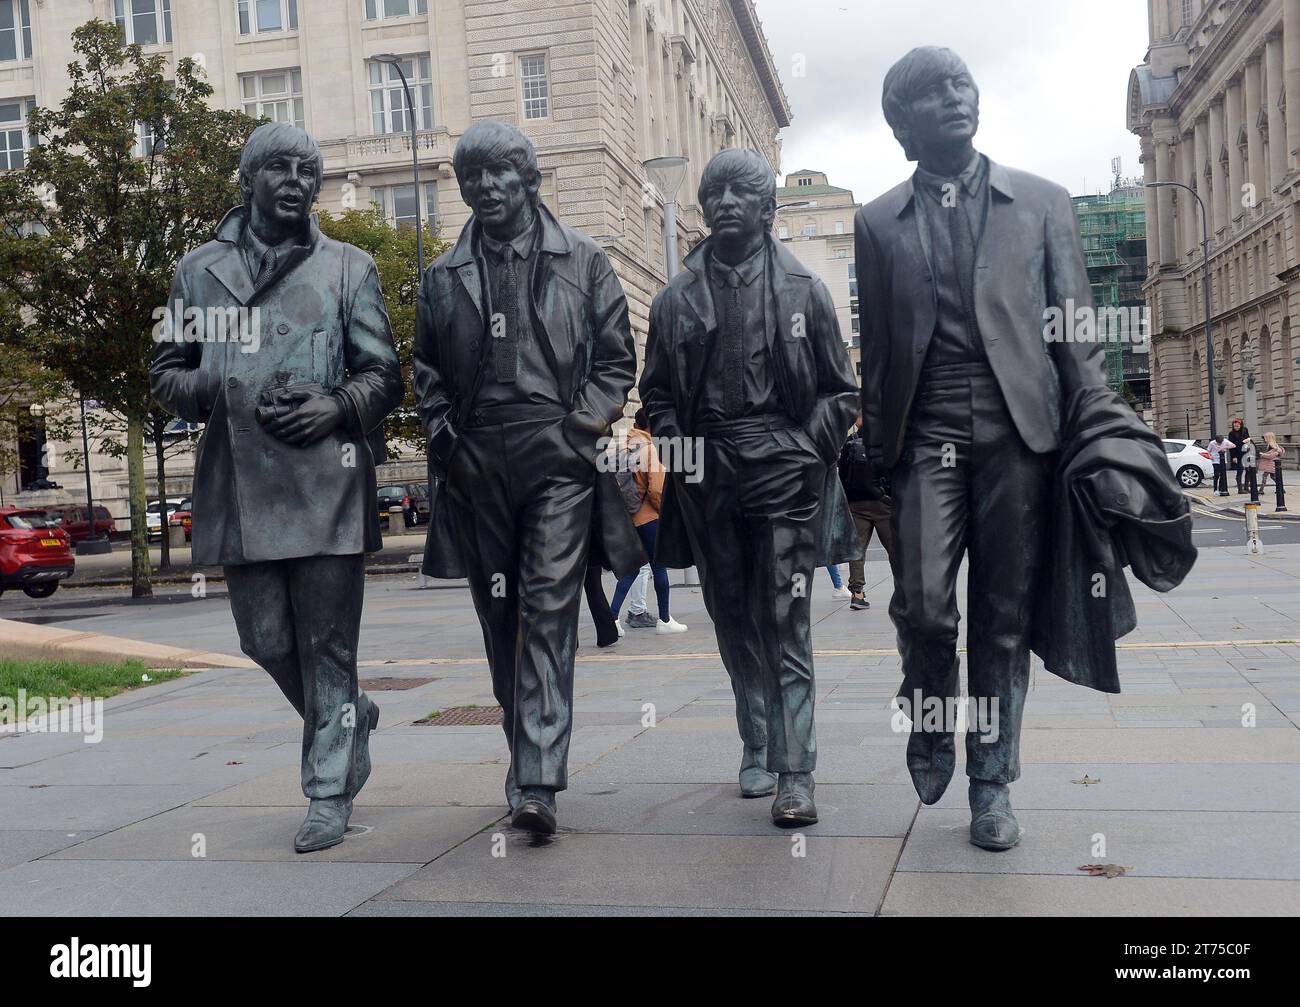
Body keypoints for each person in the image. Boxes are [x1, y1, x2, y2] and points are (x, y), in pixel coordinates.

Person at [856, 47, 1116, 850]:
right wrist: (871, 446)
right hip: (924, 432)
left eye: (963, 85)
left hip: (1017, 433)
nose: (956, 100)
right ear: (904, 121)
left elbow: (1074, 330)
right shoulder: (875, 221)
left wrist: (1098, 419)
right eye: (934, 94)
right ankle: (930, 708)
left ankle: (992, 783)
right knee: (927, 606)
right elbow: (880, 351)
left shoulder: (1040, 202)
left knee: (1002, 619)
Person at [151, 122, 403, 853]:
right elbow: (167, 369)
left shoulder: (347, 268)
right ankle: (350, 713)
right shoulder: (197, 272)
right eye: (281, 169)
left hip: (327, 478)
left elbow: (382, 373)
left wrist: (337, 405)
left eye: (308, 171)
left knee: (327, 644)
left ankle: (328, 789)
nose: (296, 181)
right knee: (262, 637)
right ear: (249, 179)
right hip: (239, 480)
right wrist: (218, 384)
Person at [413, 120, 640, 835]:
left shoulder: (585, 259)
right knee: (501, 616)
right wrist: (448, 438)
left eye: (499, 173)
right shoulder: (443, 277)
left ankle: (538, 778)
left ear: (529, 179)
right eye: (471, 176)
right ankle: (523, 753)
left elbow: (614, 365)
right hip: (479, 459)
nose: (484, 186)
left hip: (557, 459)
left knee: (547, 608)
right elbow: (424, 373)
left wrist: (578, 431)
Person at [641, 148, 860, 827]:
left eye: (743, 193)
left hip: (783, 468)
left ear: (769, 209)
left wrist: (806, 449)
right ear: (704, 210)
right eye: (717, 194)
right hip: (710, 473)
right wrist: (685, 456)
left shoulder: (804, 292)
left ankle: (797, 771)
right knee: (734, 618)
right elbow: (655, 398)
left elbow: (842, 391)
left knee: (787, 619)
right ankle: (756, 738)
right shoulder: (674, 300)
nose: (728, 203)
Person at [609, 409, 687, 634]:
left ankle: (612, 618)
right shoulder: (649, 448)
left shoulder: (625, 446)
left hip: (631, 516)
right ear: (651, 426)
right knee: (659, 567)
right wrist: (665, 510)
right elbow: (656, 488)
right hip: (650, 517)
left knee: (633, 569)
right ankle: (664, 620)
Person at [839, 414, 895, 610]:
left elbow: (842, 473)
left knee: (857, 551)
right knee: (895, 549)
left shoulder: (848, 443)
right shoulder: (887, 442)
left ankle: (857, 593)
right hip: (883, 504)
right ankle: (903, 592)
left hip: (856, 505)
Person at [1259, 432, 1287, 511]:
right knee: (1273, 477)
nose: (1264, 439)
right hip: (1272, 464)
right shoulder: (1274, 445)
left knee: (1265, 476)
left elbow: (1272, 455)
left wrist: (1262, 454)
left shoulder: (1272, 446)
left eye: (1265, 438)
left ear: (1269, 438)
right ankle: (1281, 488)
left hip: (1270, 464)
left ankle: (1261, 490)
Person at [1228, 417, 1250, 493]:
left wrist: (1247, 442)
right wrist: (1233, 456)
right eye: (1235, 426)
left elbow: (1248, 439)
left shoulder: (1245, 430)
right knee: (1240, 470)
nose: (1236, 428)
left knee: (1248, 470)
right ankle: (1240, 489)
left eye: (1237, 426)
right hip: (1238, 453)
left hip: (1246, 452)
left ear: (1241, 425)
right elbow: (1232, 446)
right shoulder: (1231, 434)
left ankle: (1247, 487)